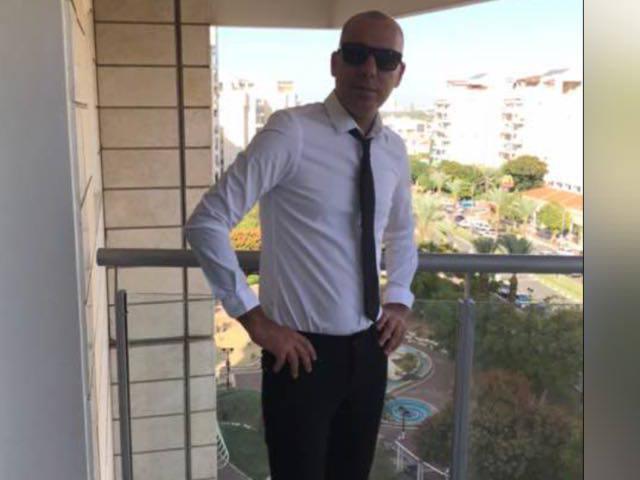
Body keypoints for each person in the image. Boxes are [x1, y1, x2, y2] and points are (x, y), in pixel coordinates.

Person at [185, 10, 417, 480]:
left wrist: (399, 299)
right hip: (299, 357)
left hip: (370, 350)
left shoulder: (393, 149)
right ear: (335, 63)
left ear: (399, 72)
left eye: (385, 59)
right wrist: (253, 320)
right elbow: (207, 222)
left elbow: (400, 233)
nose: (369, 70)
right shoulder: (290, 133)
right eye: (356, 54)